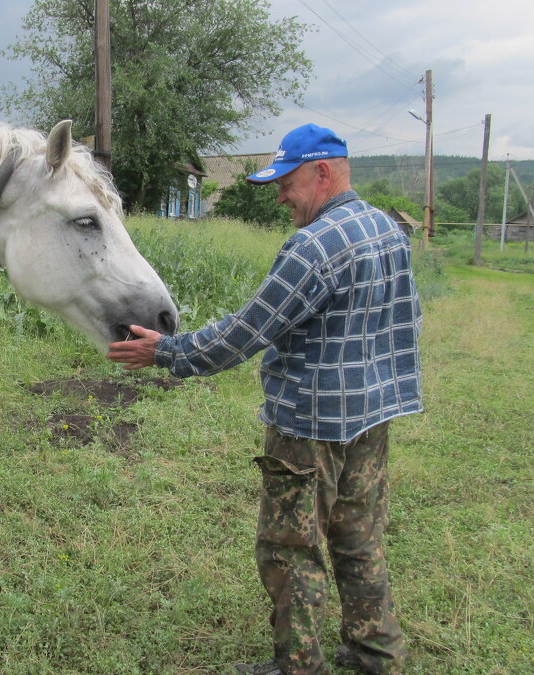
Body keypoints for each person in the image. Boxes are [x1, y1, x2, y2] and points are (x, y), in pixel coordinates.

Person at [107, 124, 422, 675]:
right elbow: (407, 320)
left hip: (310, 425)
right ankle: (379, 656)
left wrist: (168, 353)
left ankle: (300, 666)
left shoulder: (314, 245)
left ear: (322, 172)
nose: (280, 196)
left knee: (290, 550)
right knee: (359, 539)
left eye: (287, 182)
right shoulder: (386, 230)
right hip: (373, 416)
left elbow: (247, 332)